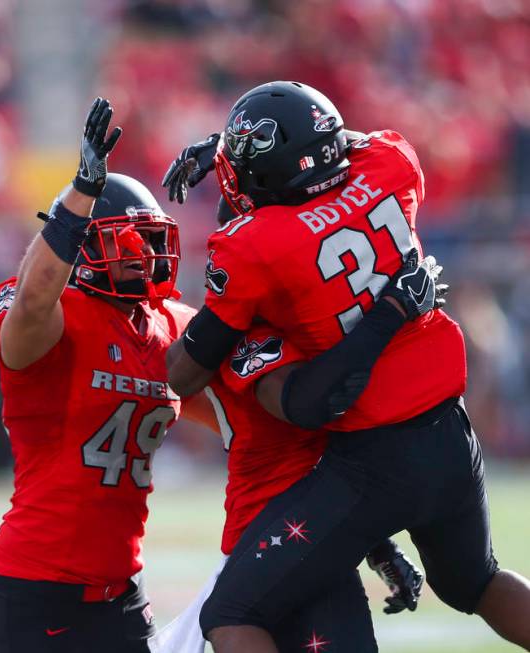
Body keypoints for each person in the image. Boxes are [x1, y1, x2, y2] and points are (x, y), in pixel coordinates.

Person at [0, 97, 423, 653]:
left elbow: (275, 439)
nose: (143, 255)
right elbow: (33, 301)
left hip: (123, 594)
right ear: (85, 247)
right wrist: (81, 195)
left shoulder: (170, 326)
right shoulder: (53, 318)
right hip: (34, 588)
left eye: (148, 239)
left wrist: (372, 541)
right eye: (124, 241)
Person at [162, 80, 530, 652]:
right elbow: (343, 147)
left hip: (373, 456)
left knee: (230, 612)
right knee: (474, 582)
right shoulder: (391, 164)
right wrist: (230, 146)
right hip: (452, 433)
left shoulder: (256, 246)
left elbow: (190, 372)